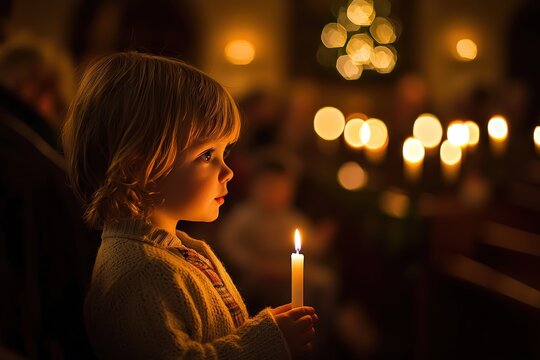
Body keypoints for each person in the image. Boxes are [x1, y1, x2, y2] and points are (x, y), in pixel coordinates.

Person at [61, 51, 318, 359]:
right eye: (207, 155)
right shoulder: (139, 274)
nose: (229, 171)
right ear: (139, 166)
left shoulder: (176, 251)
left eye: (225, 152)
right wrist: (265, 343)